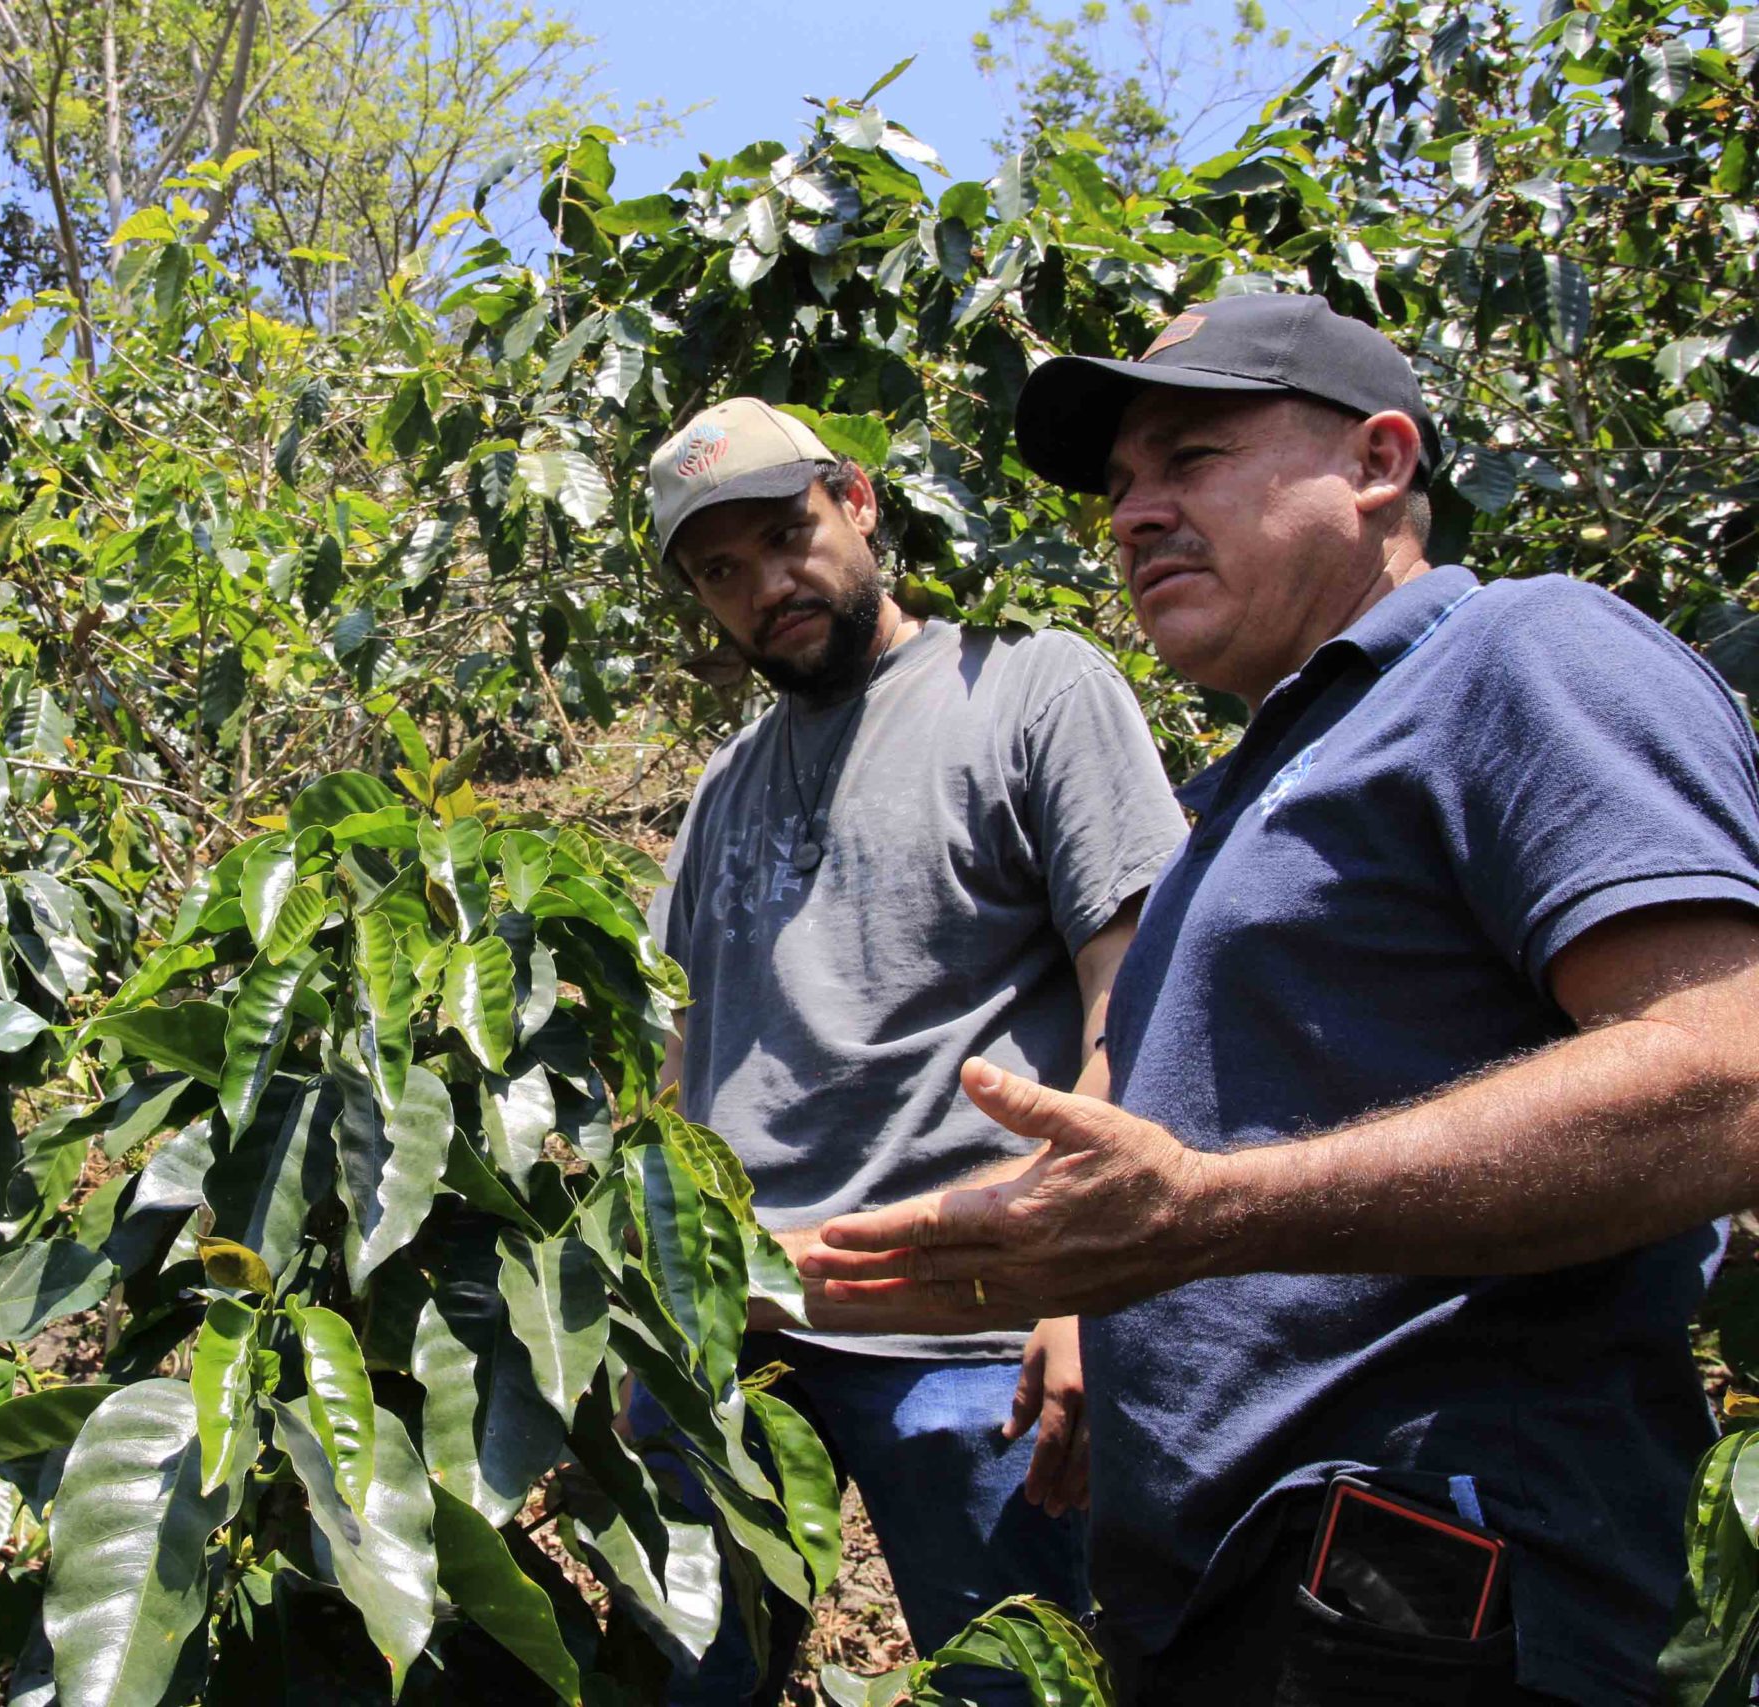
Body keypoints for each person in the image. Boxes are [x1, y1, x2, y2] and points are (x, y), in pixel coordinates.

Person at [799, 292, 1759, 1704]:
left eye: (1191, 458)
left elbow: (1727, 1076)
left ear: (1378, 464)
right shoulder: (1241, 796)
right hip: (1234, 1602)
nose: (1134, 515)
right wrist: (1080, 1281)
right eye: (1122, 486)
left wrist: (1204, 1214)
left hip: (1438, 1594)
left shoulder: (1520, 656)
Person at [635, 397, 1187, 1704]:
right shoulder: (725, 785)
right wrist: (648, 1309)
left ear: (859, 502)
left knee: (1010, 1682)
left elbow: (1147, 998)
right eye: (723, 572)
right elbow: (675, 1058)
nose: (769, 586)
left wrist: (1090, 1288)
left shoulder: (1030, 688)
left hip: (968, 1334)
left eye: (788, 535)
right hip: (738, 1338)